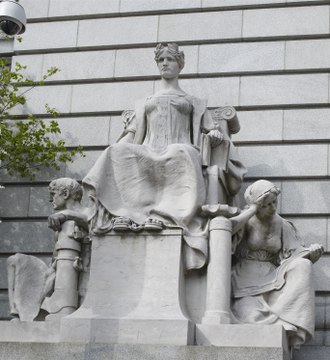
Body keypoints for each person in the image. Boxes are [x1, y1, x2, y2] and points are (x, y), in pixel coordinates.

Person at [83, 43, 246, 270]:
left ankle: (166, 215)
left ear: (180, 64)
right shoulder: (145, 102)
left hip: (180, 147)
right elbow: (132, 134)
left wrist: (215, 132)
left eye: (170, 59)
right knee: (116, 151)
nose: (165, 64)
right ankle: (127, 214)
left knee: (181, 152)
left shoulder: (193, 102)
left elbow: (209, 128)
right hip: (147, 148)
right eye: (161, 60)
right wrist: (115, 151)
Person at [231, 180, 323, 348]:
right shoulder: (245, 221)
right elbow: (225, 230)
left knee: (303, 266)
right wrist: (251, 210)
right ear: (257, 204)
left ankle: (284, 317)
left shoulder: (282, 224)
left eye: (275, 202)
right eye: (267, 205)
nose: (273, 208)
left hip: (274, 279)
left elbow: (295, 253)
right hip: (245, 279)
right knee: (250, 317)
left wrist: (310, 254)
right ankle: (273, 321)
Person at [7, 178, 89, 321]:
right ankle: (17, 311)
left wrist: (67, 214)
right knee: (13, 261)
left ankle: (55, 309)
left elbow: (92, 222)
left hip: (79, 274)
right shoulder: (60, 222)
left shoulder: (87, 213)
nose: (50, 200)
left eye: (53, 194)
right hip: (58, 272)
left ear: (65, 193)